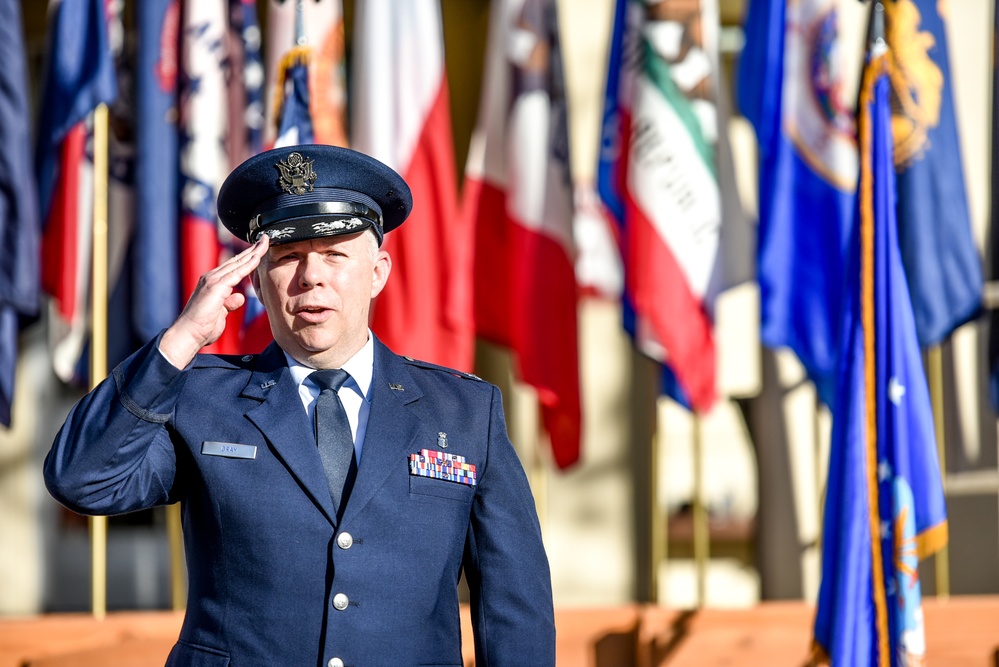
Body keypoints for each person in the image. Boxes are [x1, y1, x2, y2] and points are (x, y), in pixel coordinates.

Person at [44, 145, 556, 667]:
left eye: (335, 254)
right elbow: (82, 479)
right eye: (288, 257)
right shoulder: (200, 399)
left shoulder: (464, 412)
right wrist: (178, 343)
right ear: (260, 283)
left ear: (377, 272)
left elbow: (515, 608)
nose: (311, 275)